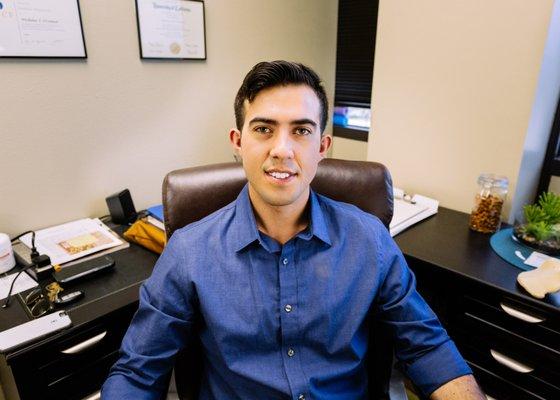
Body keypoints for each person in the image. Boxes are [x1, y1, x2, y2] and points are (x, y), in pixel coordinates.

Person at [102, 61, 485, 399]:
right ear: (238, 142)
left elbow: (427, 346)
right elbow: (138, 372)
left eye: (301, 131)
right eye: (264, 129)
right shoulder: (189, 252)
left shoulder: (369, 240)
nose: (282, 149)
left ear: (322, 146)